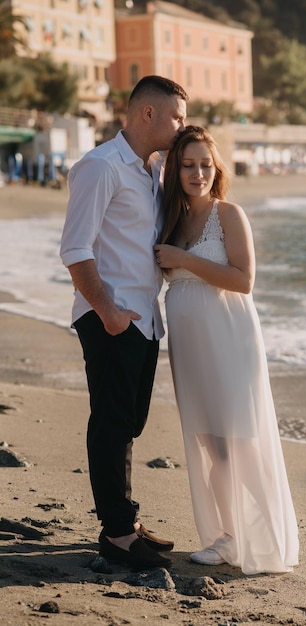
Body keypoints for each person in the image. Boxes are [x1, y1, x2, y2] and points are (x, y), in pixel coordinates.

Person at [154, 126, 299, 575]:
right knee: (210, 445)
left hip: (230, 340)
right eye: (188, 164)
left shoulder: (229, 214)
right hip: (190, 348)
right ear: (174, 169)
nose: (198, 173)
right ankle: (229, 537)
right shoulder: (170, 222)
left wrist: (184, 260)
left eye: (205, 165)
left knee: (240, 442)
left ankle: (272, 536)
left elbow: (244, 280)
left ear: (216, 169)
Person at [60, 75, 188, 571]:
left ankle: (125, 522)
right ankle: (116, 534)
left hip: (144, 319)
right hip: (109, 316)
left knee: (129, 422)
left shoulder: (149, 169)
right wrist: (108, 312)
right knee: (112, 422)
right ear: (147, 114)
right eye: (176, 116)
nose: (181, 124)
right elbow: (75, 249)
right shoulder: (100, 166)